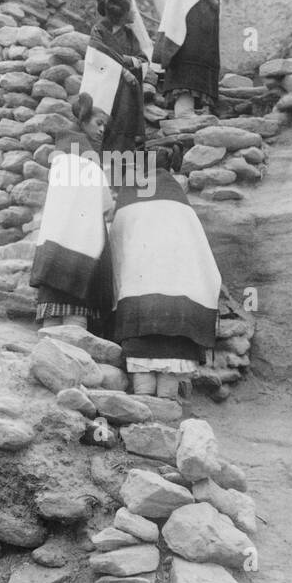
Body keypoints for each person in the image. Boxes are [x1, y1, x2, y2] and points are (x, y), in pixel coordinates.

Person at [108, 137, 222, 399]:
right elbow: (198, 253)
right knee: (169, 381)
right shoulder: (178, 199)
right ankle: (166, 424)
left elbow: (116, 249)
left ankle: (144, 426)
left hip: (138, 308)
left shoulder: (128, 196)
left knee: (143, 385)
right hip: (178, 312)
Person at [30, 92, 114, 330]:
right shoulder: (88, 161)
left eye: (104, 127)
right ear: (83, 122)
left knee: (51, 318)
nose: (102, 131)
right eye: (98, 124)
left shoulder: (59, 157)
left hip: (53, 244)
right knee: (75, 320)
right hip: (80, 249)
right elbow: (105, 205)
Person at [82, 0, 148, 154]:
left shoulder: (130, 35)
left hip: (126, 94)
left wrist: (126, 61)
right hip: (104, 89)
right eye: (131, 10)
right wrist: (123, 68)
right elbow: (97, 54)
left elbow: (142, 60)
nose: (134, 13)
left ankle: (120, 162)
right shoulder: (99, 30)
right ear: (121, 14)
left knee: (123, 126)